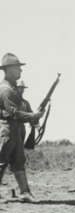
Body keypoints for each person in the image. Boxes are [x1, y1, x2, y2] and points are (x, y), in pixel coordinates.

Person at [0, 53, 44, 200]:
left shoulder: (11, 89)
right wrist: (33, 116)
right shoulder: (6, 90)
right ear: (9, 69)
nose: (20, 70)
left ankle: (24, 192)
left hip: (14, 129)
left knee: (19, 161)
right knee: (1, 160)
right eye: (17, 67)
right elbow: (14, 112)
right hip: (6, 128)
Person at [15, 80, 31, 144]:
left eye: (22, 88)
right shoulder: (10, 101)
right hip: (12, 128)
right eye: (19, 88)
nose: (21, 90)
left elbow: (31, 114)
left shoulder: (25, 103)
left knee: (20, 151)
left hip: (21, 128)